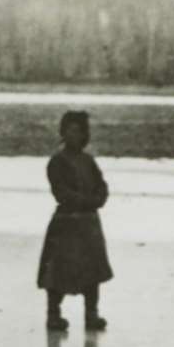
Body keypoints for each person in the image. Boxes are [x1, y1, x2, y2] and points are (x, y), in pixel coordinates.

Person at [37, 111, 113, 332]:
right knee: (57, 272)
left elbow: (102, 186)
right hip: (66, 223)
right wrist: (87, 202)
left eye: (79, 131)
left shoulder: (88, 161)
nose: (74, 135)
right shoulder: (56, 161)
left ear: (84, 134)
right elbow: (61, 192)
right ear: (63, 132)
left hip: (89, 225)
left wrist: (98, 199)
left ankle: (92, 315)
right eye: (70, 130)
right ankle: (53, 315)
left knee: (93, 272)